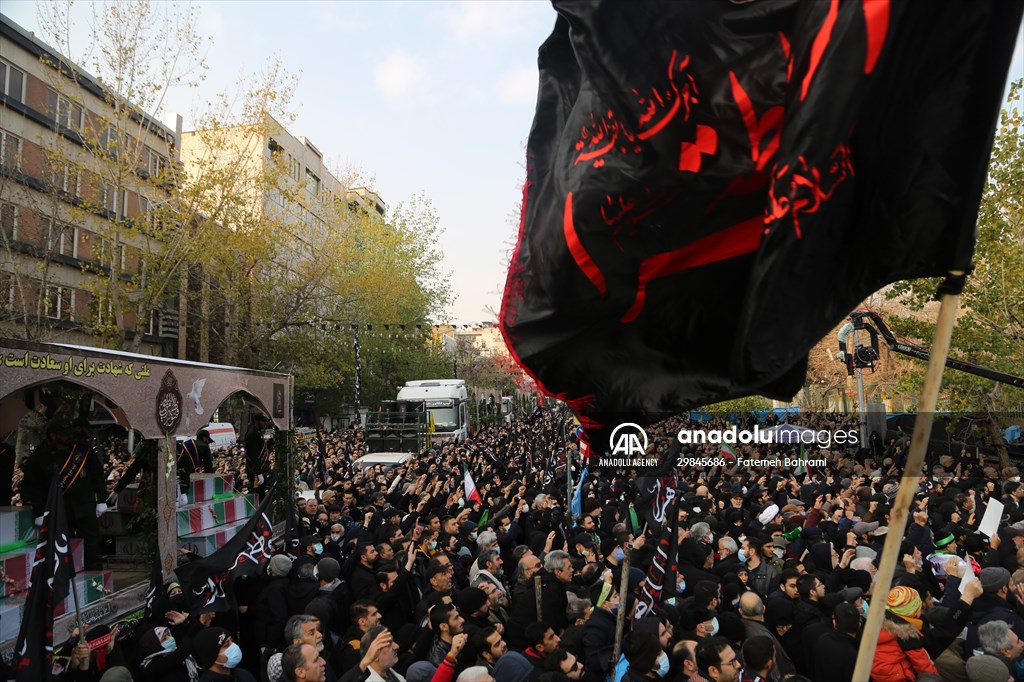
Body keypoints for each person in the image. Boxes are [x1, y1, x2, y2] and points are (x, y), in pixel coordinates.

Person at [22, 415, 107, 570]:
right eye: (64, 434)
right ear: (53, 435)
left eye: (70, 433)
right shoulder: (42, 456)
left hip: (85, 507)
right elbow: (35, 487)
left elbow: (98, 476)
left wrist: (102, 499)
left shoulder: (83, 450)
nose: (69, 437)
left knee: (92, 546)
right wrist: (39, 512)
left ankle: (95, 579)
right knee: (62, 549)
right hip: (60, 511)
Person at [245, 414, 273, 499]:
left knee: (261, 494)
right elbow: (253, 454)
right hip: (255, 471)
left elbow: (261, 448)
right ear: (256, 421)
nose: (265, 423)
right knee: (257, 496)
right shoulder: (252, 434)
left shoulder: (257, 432)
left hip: (261, 468)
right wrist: (258, 473)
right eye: (263, 421)